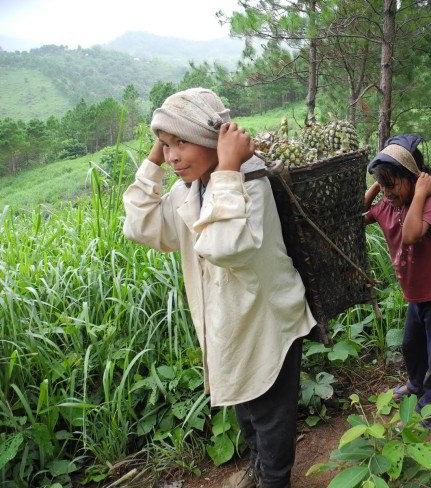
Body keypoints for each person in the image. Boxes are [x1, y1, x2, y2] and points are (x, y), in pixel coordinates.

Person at [122, 87, 316, 488]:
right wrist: (153, 162)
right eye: (165, 145)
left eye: (182, 143)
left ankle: (274, 480)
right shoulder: (190, 190)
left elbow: (224, 248)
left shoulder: (249, 180)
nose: (173, 156)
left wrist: (228, 166)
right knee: (246, 407)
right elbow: (141, 227)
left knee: (269, 414)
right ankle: (259, 469)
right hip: (229, 323)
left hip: (266, 322)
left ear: (214, 140)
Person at [363, 134, 431, 418]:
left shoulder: (430, 203)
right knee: (411, 346)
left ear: (414, 178)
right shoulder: (388, 205)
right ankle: (415, 384)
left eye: (392, 184)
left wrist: (420, 193)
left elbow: (410, 236)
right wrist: (379, 186)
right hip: (418, 295)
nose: (387, 192)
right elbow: (357, 215)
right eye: (383, 185)